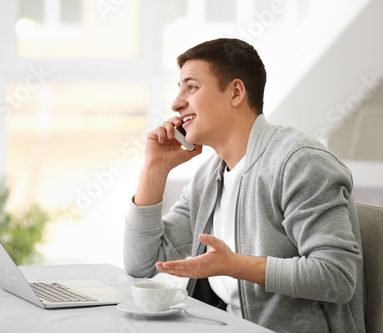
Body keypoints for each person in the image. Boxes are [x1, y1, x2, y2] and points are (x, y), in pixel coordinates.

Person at [123, 38, 365, 332]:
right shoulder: (210, 178)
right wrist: (154, 168)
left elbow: (338, 276)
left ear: (236, 92)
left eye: (192, 87)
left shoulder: (300, 163)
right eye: (179, 90)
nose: (176, 104)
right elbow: (142, 263)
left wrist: (235, 264)